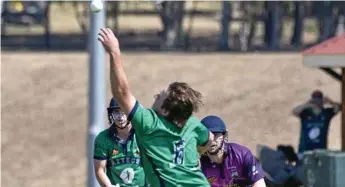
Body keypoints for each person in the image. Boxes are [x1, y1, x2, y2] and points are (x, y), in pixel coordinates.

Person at [97, 28, 214, 187]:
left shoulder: (149, 123)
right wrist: (192, 157)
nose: (156, 95)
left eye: (160, 96)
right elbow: (209, 139)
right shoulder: (192, 123)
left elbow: (121, 92)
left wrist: (114, 51)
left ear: (166, 110)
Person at [93, 98, 148, 187]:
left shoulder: (142, 135)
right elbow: (99, 169)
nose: (120, 117)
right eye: (116, 112)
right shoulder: (102, 138)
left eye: (124, 112)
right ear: (111, 114)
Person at [199, 115, 266, 187]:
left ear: (225, 135)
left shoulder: (242, 155)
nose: (211, 140)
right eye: (206, 136)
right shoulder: (197, 161)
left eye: (215, 135)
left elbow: (259, 184)